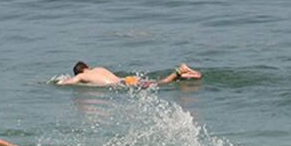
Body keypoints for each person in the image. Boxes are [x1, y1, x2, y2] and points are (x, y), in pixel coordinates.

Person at [57, 61, 201, 87]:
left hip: (123, 84)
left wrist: (59, 82)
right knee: (157, 82)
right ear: (87, 66)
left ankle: (180, 70)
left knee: (162, 83)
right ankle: (184, 76)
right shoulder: (98, 68)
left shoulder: (81, 76)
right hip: (127, 79)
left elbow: (68, 83)